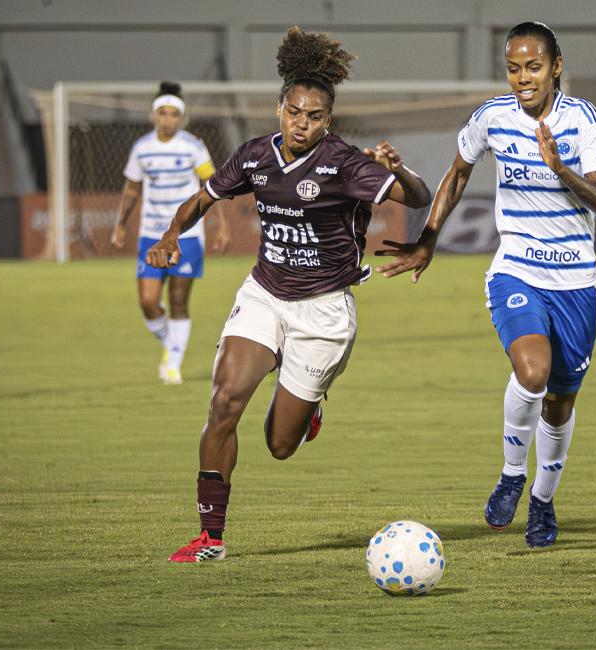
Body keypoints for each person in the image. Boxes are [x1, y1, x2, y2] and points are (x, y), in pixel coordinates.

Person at [149, 27, 431, 562]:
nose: (302, 124)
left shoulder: (344, 164)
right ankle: (211, 535)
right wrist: (169, 235)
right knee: (224, 400)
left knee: (280, 445)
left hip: (324, 311)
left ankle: (309, 405)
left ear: (329, 121)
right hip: (265, 294)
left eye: (315, 116)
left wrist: (401, 170)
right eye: (294, 112)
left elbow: (418, 196)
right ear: (280, 108)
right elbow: (202, 198)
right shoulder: (255, 156)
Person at [377, 21, 596, 548]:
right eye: (513, 67)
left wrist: (560, 169)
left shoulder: (582, 120)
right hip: (518, 268)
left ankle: (544, 502)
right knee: (533, 371)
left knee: (560, 402)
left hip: (576, 282)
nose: (522, 78)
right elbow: (458, 173)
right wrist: (428, 238)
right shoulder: (492, 117)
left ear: (555, 67)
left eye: (533, 66)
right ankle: (511, 473)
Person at [112, 82, 230, 385]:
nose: (168, 119)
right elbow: (133, 188)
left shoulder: (192, 146)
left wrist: (223, 226)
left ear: (180, 117)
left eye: (173, 114)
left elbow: (212, 189)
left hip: (187, 235)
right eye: (162, 113)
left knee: (178, 300)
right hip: (151, 233)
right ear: (154, 115)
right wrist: (121, 224)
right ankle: (171, 343)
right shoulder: (142, 148)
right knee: (148, 302)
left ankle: (172, 366)